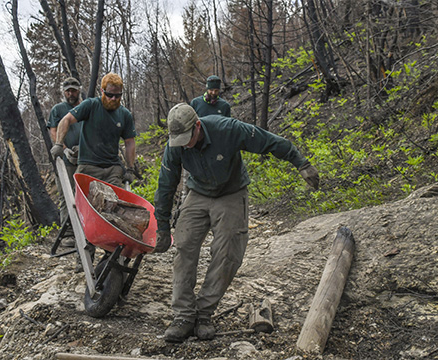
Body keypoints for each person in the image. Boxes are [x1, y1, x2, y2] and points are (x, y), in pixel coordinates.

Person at [153, 103, 319, 343]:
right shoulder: (175, 146)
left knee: (228, 252)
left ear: (197, 126)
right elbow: (166, 184)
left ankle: (204, 315)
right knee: (184, 246)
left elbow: (268, 141)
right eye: (178, 140)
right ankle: (183, 316)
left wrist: (301, 163)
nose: (184, 144)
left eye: (187, 138)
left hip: (231, 192)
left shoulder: (227, 129)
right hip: (198, 193)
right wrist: (162, 225)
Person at [51, 73, 137, 188]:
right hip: (88, 166)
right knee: (84, 202)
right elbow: (66, 120)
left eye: (117, 96)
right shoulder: (91, 105)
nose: (113, 99)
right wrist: (59, 144)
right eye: (109, 95)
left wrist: (130, 169)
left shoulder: (124, 114)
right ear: (102, 91)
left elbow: (129, 142)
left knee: (115, 202)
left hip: (112, 169)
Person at [48, 77, 82, 247]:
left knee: (85, 194)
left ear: (79, 90)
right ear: (63, 91)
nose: (71, 93)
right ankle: (68, 234)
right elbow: (54, 130)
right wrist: (63, 147)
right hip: (65, 160)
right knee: (66, 195)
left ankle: (86, 230)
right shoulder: (58, 109)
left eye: (73, 90)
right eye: (68, 90)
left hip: (86, 158)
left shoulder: (86, 106)